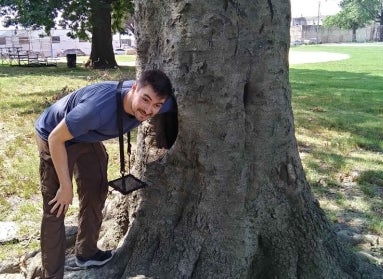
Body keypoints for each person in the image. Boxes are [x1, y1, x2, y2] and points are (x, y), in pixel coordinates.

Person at [35, 69, 175, 279]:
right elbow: (56, 138)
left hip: (87, 136)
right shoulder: (95, 110)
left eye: (156, 105)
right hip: (55, 136)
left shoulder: (158, 104)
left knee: (96, 188)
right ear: (134, 88)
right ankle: (52, 275)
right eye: (145, 100)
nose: (149, 110)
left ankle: (86, 252)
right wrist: (65, 185)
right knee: (56, 207)